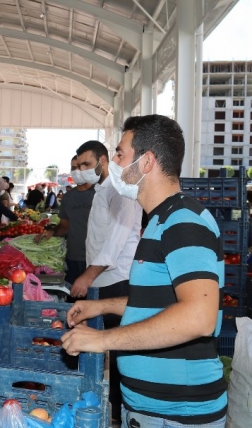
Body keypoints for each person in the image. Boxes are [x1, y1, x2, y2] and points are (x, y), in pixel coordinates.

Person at [62, 115, 227, 427]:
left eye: (121, 154)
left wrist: (103, 339)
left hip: (178, 414)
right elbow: (161, 301)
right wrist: (103, 305)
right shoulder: (159, 221)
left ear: (147, 161)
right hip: (150, 410)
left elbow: (198, 317)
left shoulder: (184, 222)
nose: (115, 164)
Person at [70, 139, 142, 422]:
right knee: (107, 344)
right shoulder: (102, 191)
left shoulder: (119, 192)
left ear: (103, 161)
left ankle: (120, 411)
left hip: (118, 281)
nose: (82, 170)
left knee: (119, 345)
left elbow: (114, 242)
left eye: (86, 164)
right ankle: (111, 407)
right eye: (78, 166)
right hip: (103, 279)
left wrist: (87, 276)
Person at [36, 156, 95, 286]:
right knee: (73, 298)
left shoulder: (100, 193)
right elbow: (64, 226)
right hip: (73, 257)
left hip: (96, 260)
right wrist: (52, 232)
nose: (76, 171)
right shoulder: (68, 197)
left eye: (80, 167)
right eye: (73, 168)